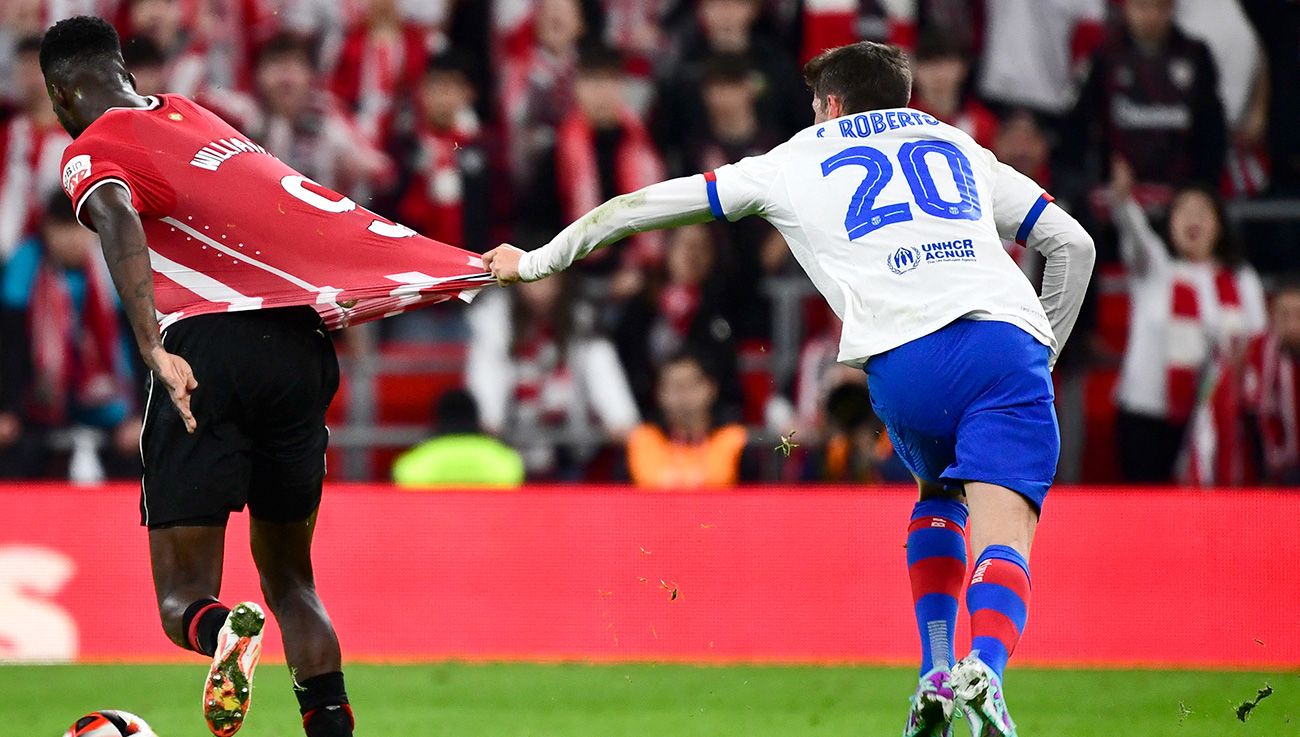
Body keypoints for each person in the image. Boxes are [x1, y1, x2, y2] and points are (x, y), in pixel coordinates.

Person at [484, 40, 1096, 737]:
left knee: (937, 493)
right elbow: (1072, 244)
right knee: (1004, 537)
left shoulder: (792, 159)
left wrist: (536, 261)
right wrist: (1038, 357)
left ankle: (933, 671)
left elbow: (635, 206)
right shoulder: (956, 143)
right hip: (1004, 343)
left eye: (813, 105)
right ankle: (983, 666)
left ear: (830, 106)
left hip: (901, 363)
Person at [40, 16, 489, 737]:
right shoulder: (195, 117)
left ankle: (221, 634)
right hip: (299, 347)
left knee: (182, 596)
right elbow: (287, 207)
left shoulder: (92, 149)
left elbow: (117, 214)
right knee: (293, 583)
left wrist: (152, 342)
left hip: (205, 351)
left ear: (62, 94)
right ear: (124, 71)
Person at [1110, 159, 1266, 483]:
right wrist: (1124, 198)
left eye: (1202, 212)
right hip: (1148, 414)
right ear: (1170, 223)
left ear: (1219, 224)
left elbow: (1257, 344)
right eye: (1184, 211)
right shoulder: (1154, 270)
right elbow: (1134, 231)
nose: (1193, 219)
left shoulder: (1242, 279)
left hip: (1219, 418)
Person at [0, 192, 140, 480]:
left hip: (110, 406)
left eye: (81, 228)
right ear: (47, 229)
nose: (72, 239)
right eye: (63, 228)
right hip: (37, 407)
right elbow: (8, 349)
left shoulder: (115, 270)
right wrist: (7, 410)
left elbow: (139, 347)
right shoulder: (23, 270)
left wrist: (141, 415)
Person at [625, 351, 753, 489]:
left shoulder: (734, 439)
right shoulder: (642, 439)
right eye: (674, 387)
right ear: (659, 393)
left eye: (690, 385)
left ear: (711, 388)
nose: (683, 396)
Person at [391, 389, 525, 488]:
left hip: (434, 523)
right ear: (477, 420)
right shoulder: (502, 459)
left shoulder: (418, 460)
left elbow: (404, 477)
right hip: (489, 524)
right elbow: (512, 476)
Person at [1244, 282, 1300, 485]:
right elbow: (1250, 414)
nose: (1293, 325)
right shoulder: (1257, 352)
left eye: (1298, 315)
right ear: (1272, 316)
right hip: (1274, 467)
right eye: (1284, 315)